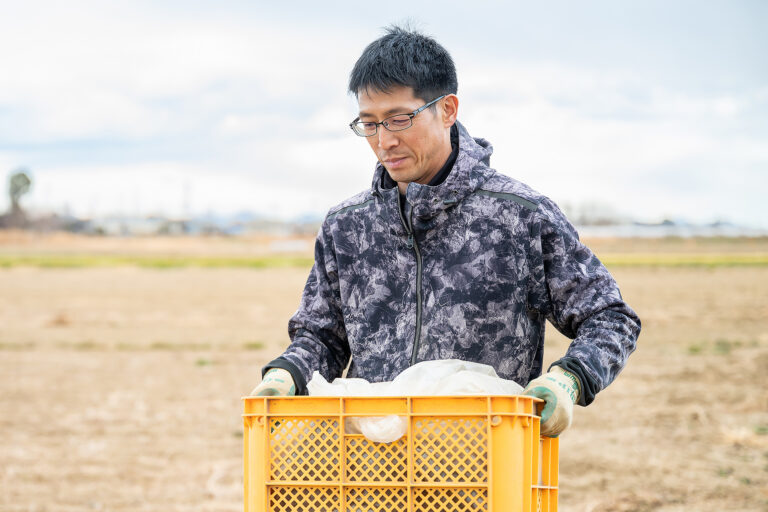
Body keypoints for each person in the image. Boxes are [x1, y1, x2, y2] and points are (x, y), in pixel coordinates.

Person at [251, 26, 641, 437]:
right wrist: (287, 372)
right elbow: (323, 338)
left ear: (448, 109)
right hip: (369, 471)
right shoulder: (347, 226)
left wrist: (569, 379)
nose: (384, 141)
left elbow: (610, 316)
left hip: (487, 467)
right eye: (369, 124)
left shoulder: (519, 216)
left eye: (399, 119)